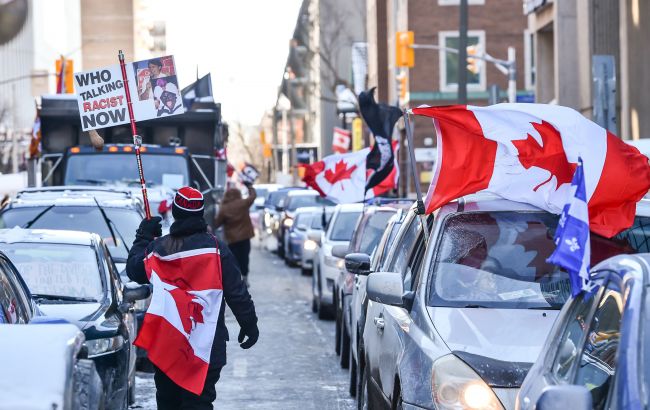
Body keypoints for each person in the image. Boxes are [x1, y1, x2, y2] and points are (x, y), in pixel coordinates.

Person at [126, 186, 258, 410]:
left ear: (176, 214)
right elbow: (237, 293)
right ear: (201, 214)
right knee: (199, 404)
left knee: (168, 403)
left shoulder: (159, 249)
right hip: (205, 349)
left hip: (167, 346)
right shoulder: (217, 250)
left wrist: (144, 236)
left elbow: (134, 270)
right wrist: (249, 324)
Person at [214, 183, 257, 286]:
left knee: (234, 260)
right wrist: (249, 186)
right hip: (245, 237)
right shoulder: (243, 203)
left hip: (232, 239)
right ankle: (245, 277)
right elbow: (253, 196)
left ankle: (236, 280)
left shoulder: (224, 208)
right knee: (245, 258)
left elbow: (217, 223)